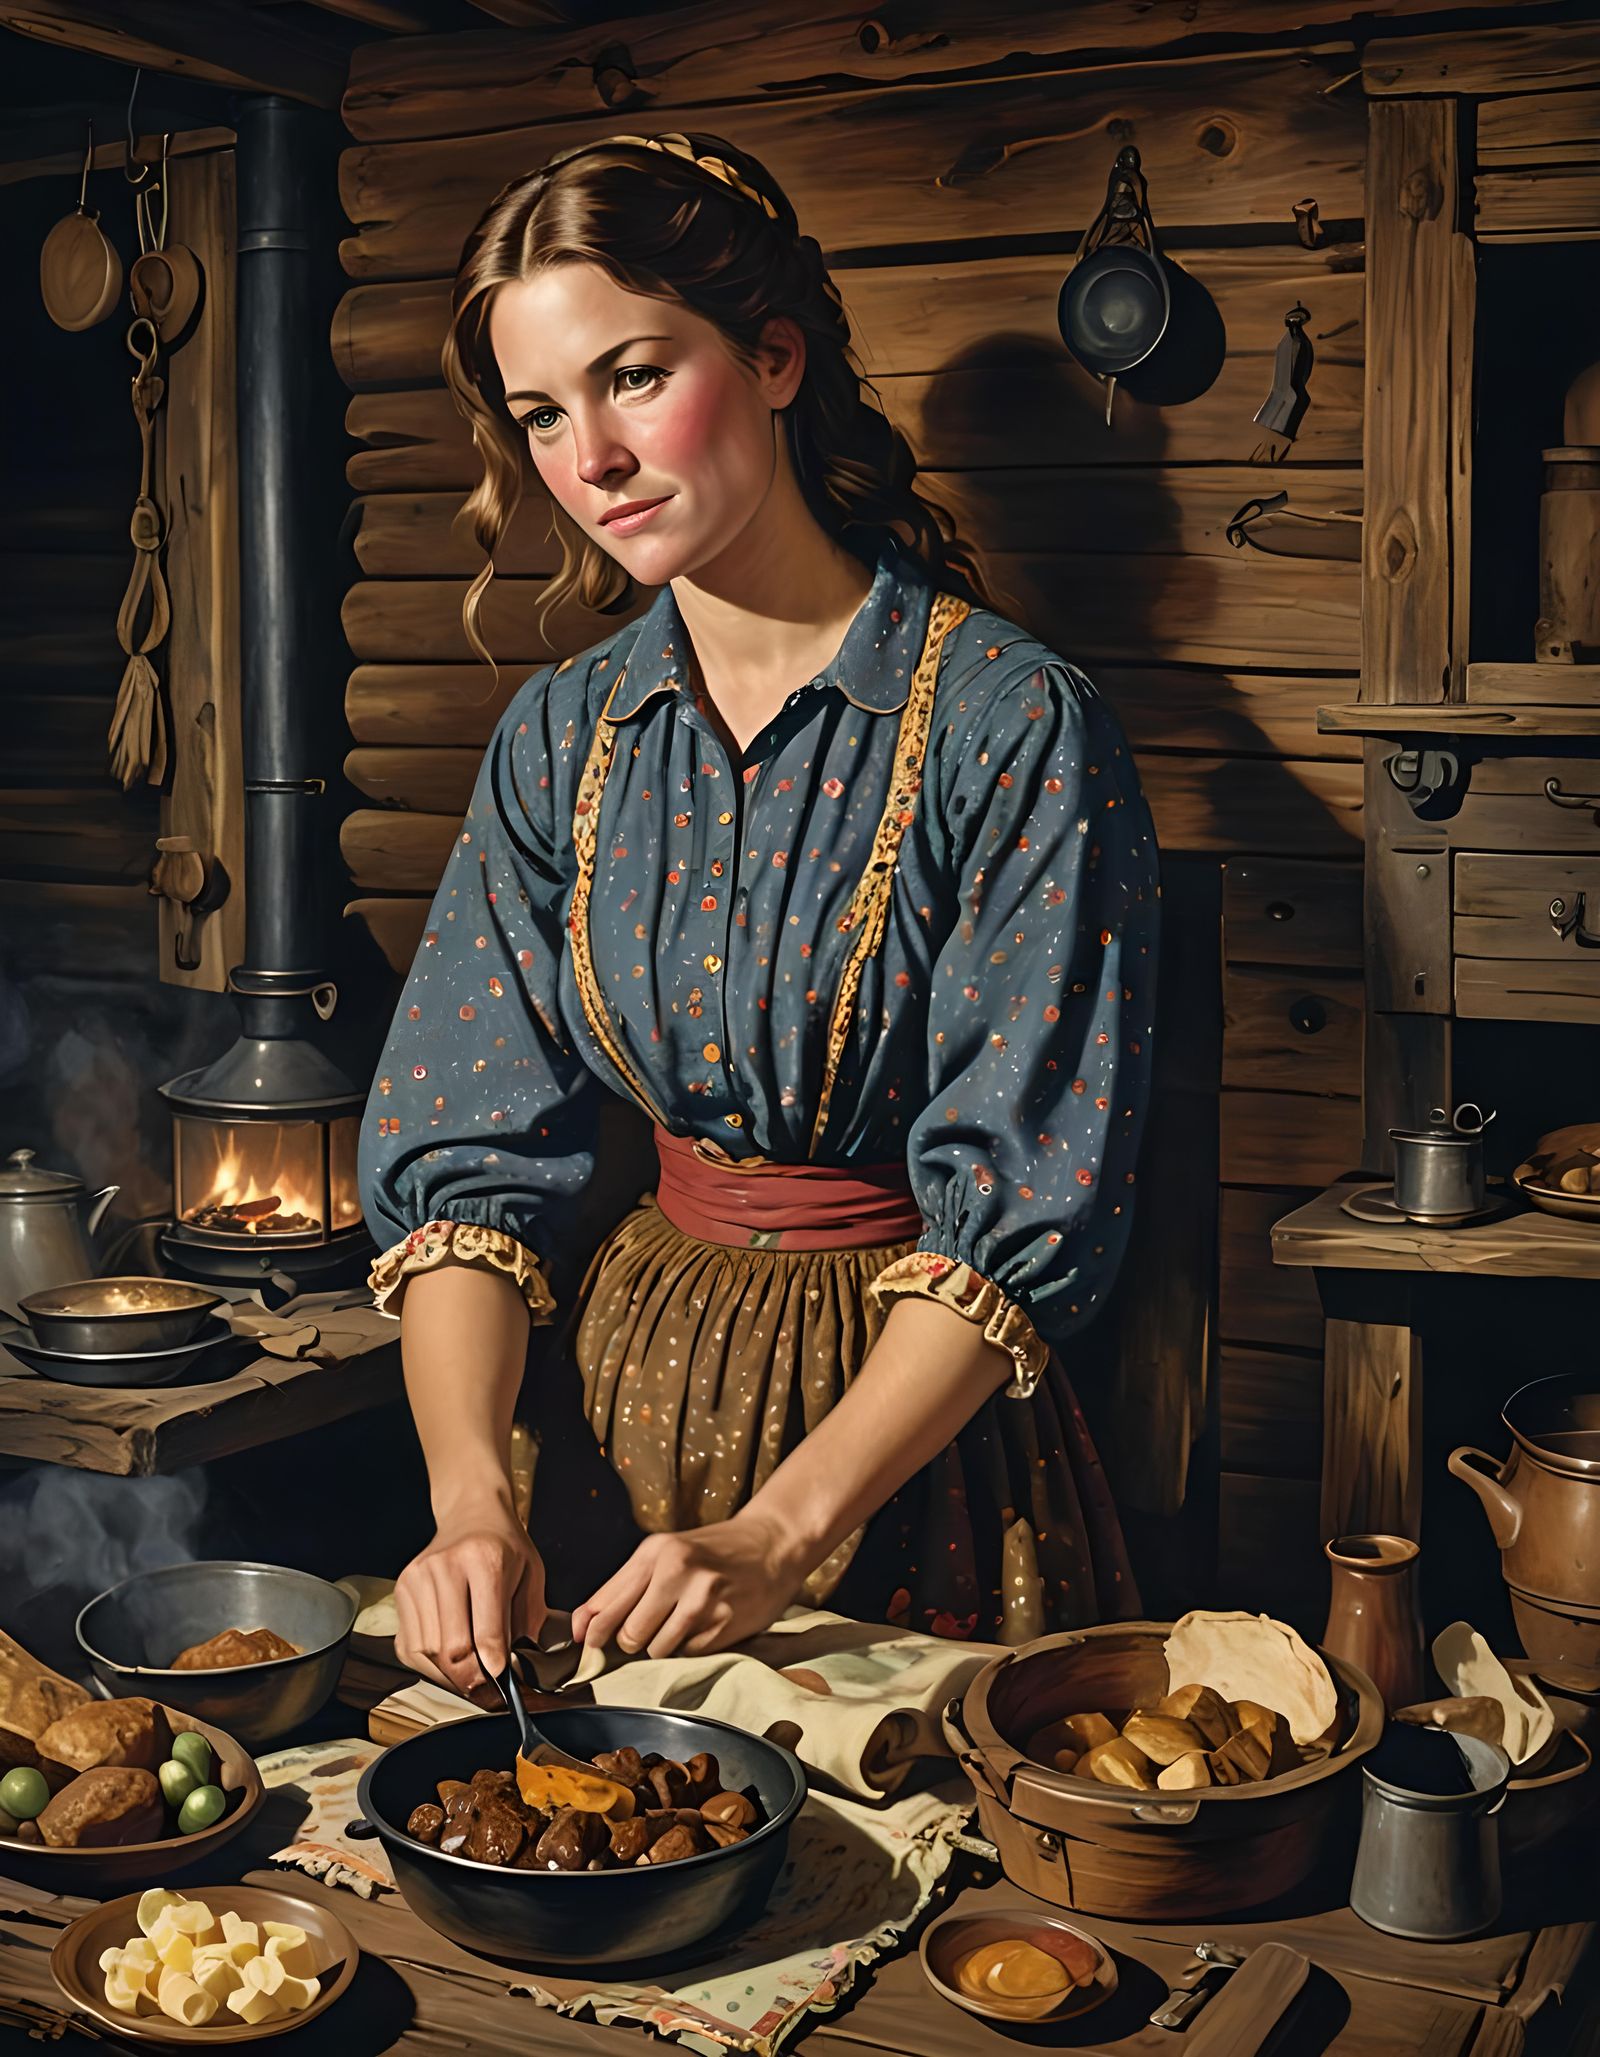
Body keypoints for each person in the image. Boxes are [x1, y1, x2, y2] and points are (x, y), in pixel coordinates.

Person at [357, 130, 1161, 1704]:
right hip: (610, 1411)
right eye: (539, 413)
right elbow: (467, 1150)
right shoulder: (560, 738)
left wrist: (785, 1529)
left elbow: (1030, 1195)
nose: (588, 455)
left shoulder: (1010, 725)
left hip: (908, 1448)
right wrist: (472, 1501)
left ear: (777, 356)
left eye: (636, 375)